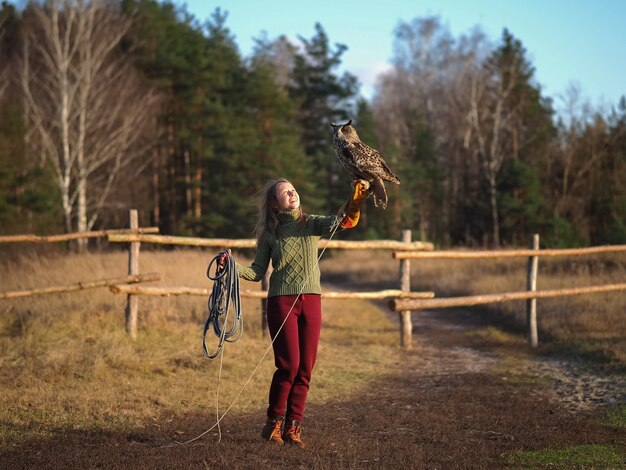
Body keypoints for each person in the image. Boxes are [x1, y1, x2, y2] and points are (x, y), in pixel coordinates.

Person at [219, 177, 370, 448]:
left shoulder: (311, 223)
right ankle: (273, 423)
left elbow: (343, 221)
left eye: (293, 189)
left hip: (312, 301)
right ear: (275, 204)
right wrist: (231, 266)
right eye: (284, 193)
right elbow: (255, 272)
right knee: (288, 366)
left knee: (306, 368)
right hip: (282, 302)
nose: (291, 193)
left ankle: (293, 427)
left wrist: (356, 199)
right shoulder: (270, 234)